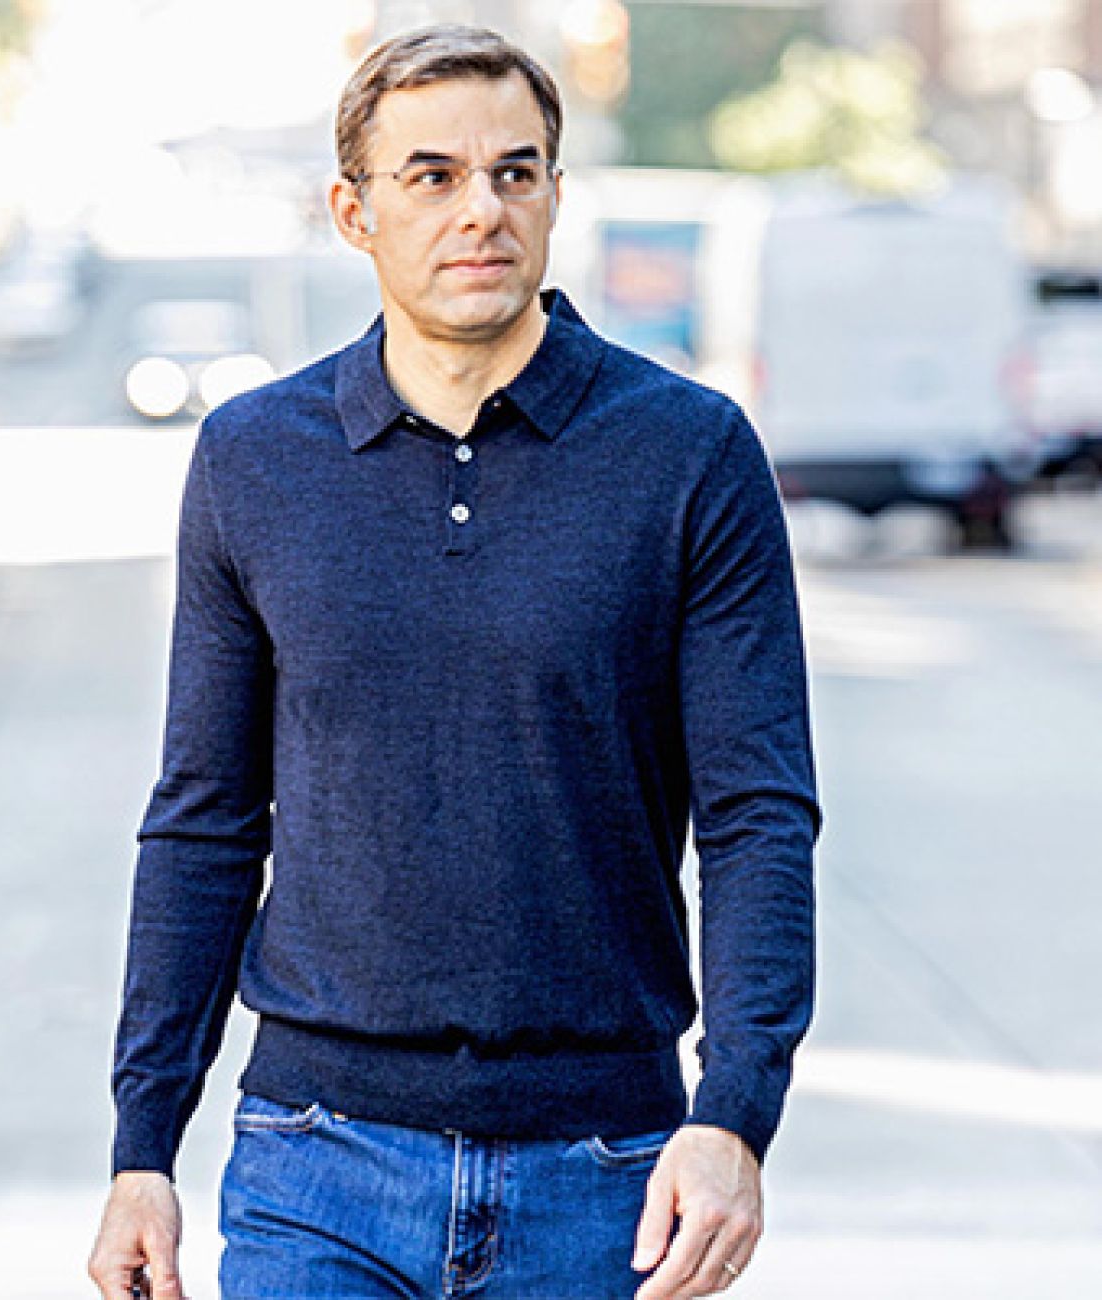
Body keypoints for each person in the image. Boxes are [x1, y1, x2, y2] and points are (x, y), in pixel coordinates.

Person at [89, 23, 820, 1300]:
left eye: (515, 172)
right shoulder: (254, 458)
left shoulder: (688, 453)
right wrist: (142, 1145)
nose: (480, 209)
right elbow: (204, 820)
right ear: (352, 210)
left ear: (552, 193)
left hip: (609, 1175)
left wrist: (735, 1113)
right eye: (431, 175)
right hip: (315, 1167)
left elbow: (757, 817)